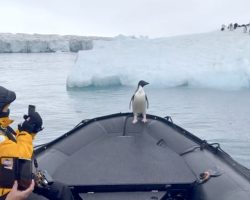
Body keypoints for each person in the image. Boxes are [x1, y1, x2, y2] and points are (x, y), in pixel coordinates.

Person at [0, 86, 74, 200]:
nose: (8, 111)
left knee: (61, 190)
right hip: (6, 191)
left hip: (14, 180)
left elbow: (10, 143)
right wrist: (26, 132)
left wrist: (30, 130)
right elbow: (20, 155)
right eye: (6, 108)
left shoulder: (2, 127)